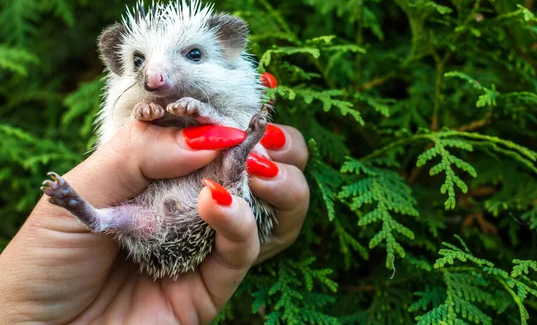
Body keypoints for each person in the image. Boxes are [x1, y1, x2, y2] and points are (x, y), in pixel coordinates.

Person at [0, 117, 309, 324]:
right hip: (163, 218)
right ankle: (85, 209)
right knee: (227, 174)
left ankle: (82, 207)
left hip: (169, 218)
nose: (154, 77)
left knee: (230, 174)